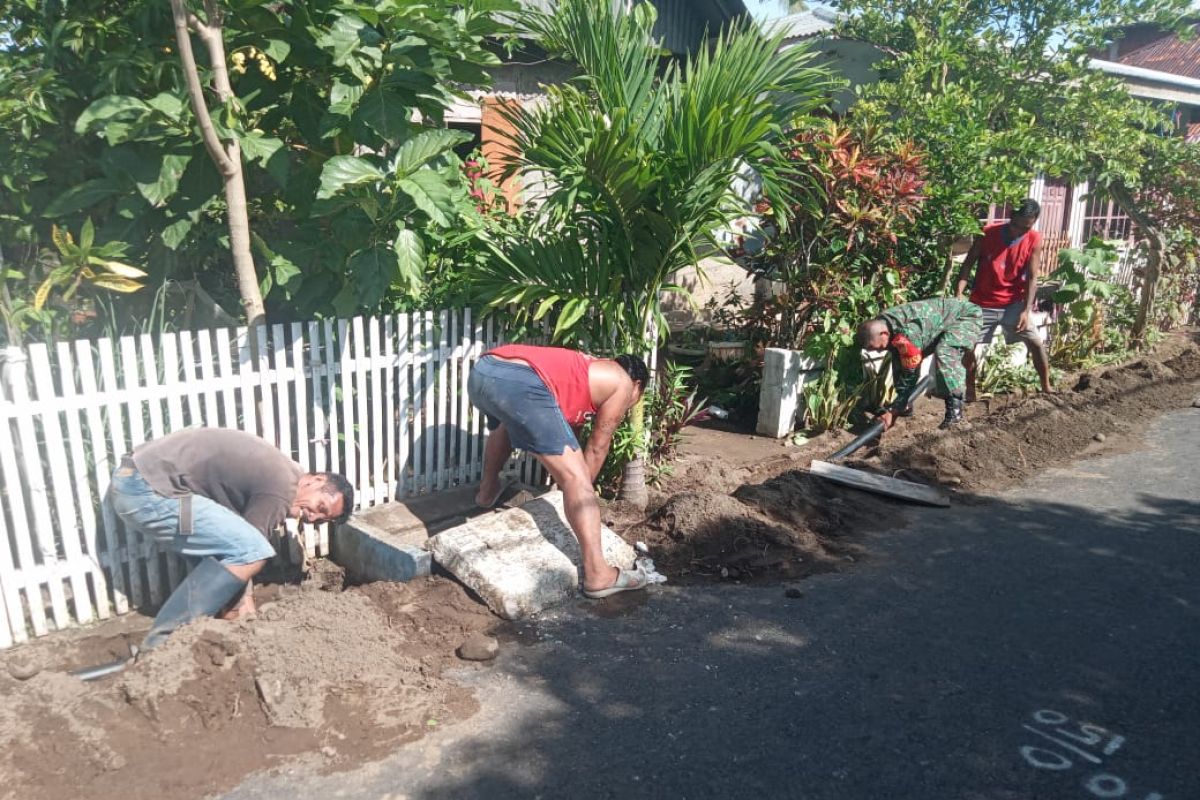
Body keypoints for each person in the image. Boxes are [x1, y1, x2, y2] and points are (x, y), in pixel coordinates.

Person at [107, 427, 353, 650]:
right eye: (320, 506)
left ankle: (221, 618)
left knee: (227, 553)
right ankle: (162, 645)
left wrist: (238, 605)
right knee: (252, 551)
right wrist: (246, 611)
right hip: (148, 490)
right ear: (316, 480)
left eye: (321, 519)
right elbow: (250, 549)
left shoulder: (285, 474)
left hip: (139, 481)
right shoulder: (281, 489)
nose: (312, 518)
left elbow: (233, 547)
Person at [468, 344, 649, 599]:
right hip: (520, 381)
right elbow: (597, 449)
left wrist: (567, 489)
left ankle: (486, 493)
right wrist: (577, 492)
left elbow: (566, 439)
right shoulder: (622, 381)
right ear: (637, 386)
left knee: (508, 425)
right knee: (577, 478)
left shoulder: (584, 373)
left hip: (483, 371)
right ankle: (599, 573)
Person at [954, 198, 1054, 400]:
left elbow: (1033, 277)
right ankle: (970, 390)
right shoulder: (988, 233)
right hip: (982, 302)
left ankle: (1046, 387)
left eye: (1026, 227)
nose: (1020, 231)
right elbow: (967, 265)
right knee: (968, 346)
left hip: (1013, 304)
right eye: (1017, 225)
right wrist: (959, 295)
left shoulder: (1034, 238)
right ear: (1011, 216)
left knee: (1035, 343)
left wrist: (1026, 310)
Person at [858, 297, 984, 430]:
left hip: (965, 316)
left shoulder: (908, 333)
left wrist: (893, 411)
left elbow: (911, 372)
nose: (878, 352)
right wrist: (900, 403)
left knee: (945, 352)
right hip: (939, 321)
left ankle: (955, 413)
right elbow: (899, 360)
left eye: (877, 347)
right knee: (897, 355)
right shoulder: (882, 324)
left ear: (884, 334)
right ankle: (906, 407)